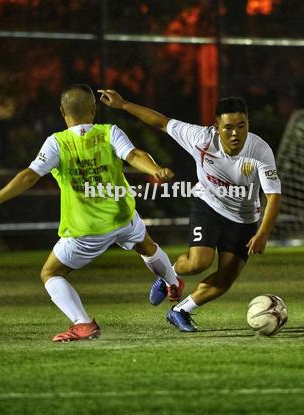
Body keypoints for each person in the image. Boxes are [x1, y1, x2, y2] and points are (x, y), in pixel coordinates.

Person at [0, 84, 184, 342]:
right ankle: (173, 281)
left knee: (50, 273)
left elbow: (29, 176)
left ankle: (83, 324)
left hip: (87, 230)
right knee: (146, 245)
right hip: (123, 216)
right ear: (93, 110)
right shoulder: (109, 132)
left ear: (62, 112)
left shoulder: (57, 143)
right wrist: (154, 169)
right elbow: (134, 155)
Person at [99, 89, 281, 332]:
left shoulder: (260, 150)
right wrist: (123, 105)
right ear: (216, 126)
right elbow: (161, 122)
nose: (236, 133)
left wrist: (263, 234)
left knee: (226, 278)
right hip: (208, 205)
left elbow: (273, 195)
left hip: (244, 218)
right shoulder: (200, 137)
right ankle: (168, 275)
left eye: (241, 125)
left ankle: (180, 310)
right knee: (198, 263)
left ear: (248, 123)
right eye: (228, 127)